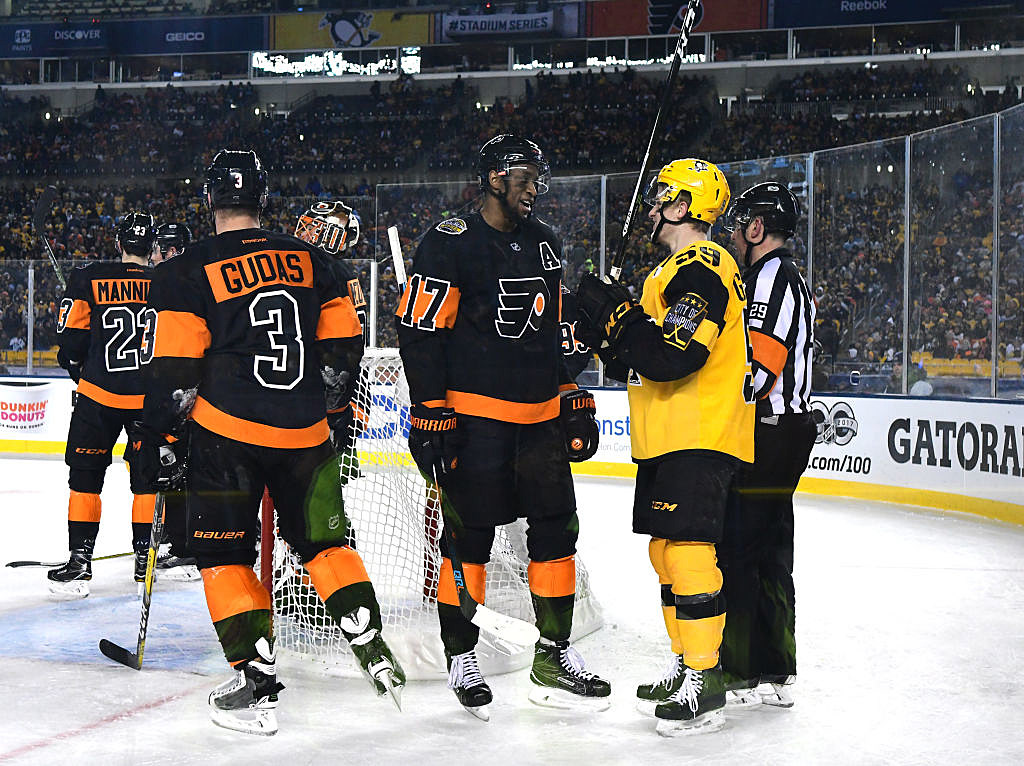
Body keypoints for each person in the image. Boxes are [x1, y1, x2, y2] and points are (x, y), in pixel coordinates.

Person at [136, 149, 404, 736]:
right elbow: (343, 351)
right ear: (263, 198)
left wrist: (161, 437)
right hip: (306, 435)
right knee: (324, 545)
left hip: (226, 437)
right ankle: (369, 639)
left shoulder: (186, 270)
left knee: (225, 556)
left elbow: (176, 374)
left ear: (210, 201)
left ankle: (256, 685)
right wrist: (327, 413)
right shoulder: (315, 260)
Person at [396, 134, 608, 720]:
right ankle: (462, 657)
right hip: (474, 425)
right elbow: (418, 332)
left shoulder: (547, 245)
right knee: (468, 545)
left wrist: (569, 392)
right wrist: (429, 408)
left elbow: (555, 335)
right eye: (525, 177)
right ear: (493, 177)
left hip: (539, 428)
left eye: (539, 178)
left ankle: (554, 657)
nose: (535, 188)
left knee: (556, 540)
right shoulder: (447, 244)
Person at [575, 158, 755, 736]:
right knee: (666, 554)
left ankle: (706, 676)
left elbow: (674, 356)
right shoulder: (671, 272)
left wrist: (617, 313)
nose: (652, 207)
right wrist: (607, 323)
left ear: (682, 207)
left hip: (698, 434)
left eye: (661, 198)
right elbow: (638, 355)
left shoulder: (703, 266)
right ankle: (688, 663)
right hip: (669, 436)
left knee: (688, 553)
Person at [717, 182, 816, 709]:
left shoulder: (771, 278)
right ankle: (777, 666)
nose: (734, 233)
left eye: (739, 224)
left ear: (757, 228)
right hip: (787, 431)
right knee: (773, 550)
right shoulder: (784, 278)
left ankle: (738, 668)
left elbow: (755, 372)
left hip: (771, 432)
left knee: (739, 550)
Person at [48, 212, 158, 598]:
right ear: (152, 247)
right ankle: (145, 560)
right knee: (147, 482)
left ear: (119, 243)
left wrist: (74, 363)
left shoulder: (88, 277)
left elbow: (71, 338)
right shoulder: (167, 282)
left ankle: (80, 561)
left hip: (97, 396)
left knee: (84, 478)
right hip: (148, 399)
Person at [148, 221, 199, 582]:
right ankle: (180, 538)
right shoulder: (194, 275)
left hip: (186, 396)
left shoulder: (174, 281)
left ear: (170, 250)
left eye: (157, 250)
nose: (151, 257)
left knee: (180, 470)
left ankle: (187, 545)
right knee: (180, 469)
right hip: (193, 393)